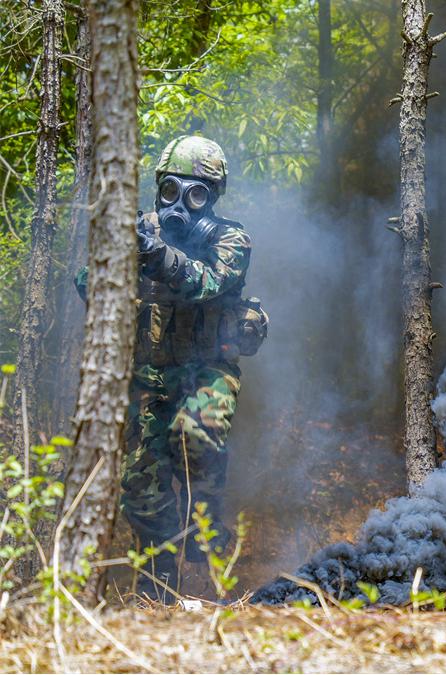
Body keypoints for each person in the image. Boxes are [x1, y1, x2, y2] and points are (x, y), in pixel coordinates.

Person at [76, 135, 268, 601]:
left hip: (207, 371)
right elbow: (88, 283)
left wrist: (155, 253)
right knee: (142, 490)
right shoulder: (140, 230)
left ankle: (205, 520)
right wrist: (119, 253)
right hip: (148, 379)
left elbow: (208, 283)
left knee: (197, 434)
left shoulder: (230, 238)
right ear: (159, 187)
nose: (181, 204)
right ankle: (157, 592)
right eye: (171, 191)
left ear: (214, 196)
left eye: (197, 193)